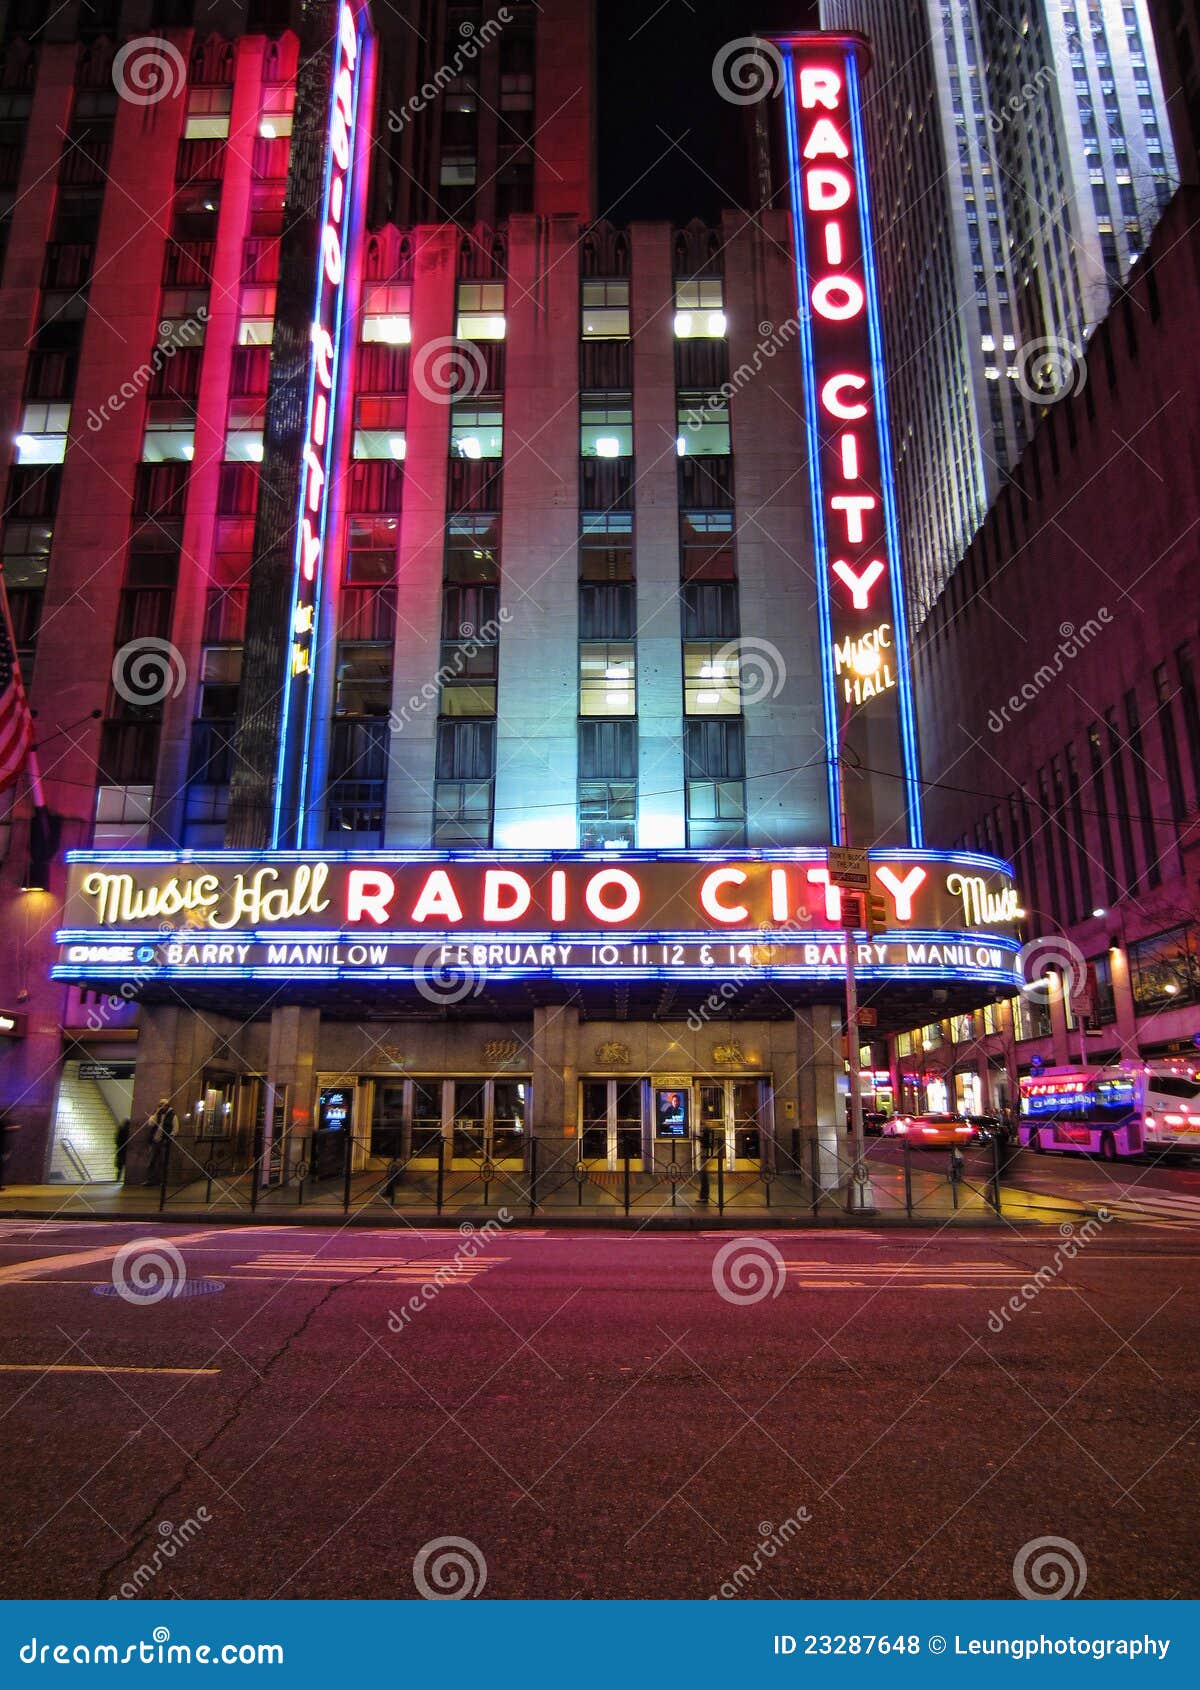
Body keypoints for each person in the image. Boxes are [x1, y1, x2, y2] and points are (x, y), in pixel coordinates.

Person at [145, 1097, 178, 1187]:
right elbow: (150, 1123)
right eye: (160, 1105)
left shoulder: (172, 1115)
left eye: (163, 1106)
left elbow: (175, 1129)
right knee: (151, 1161)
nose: (162, 1107)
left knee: (163, 1162)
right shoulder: (158, 1114)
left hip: (164, 1141)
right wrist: (156, 1112)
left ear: (167, 1106)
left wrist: (169, 1138)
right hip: (155, 1141)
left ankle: (162, 1181)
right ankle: (150, 1180)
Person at [114, 1117, 131, 1182]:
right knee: (124, 1164)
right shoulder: (129, 1130)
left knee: (119, 1166)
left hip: (120, 1149)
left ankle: (118, 1178)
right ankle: (123, 1179)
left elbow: (116, 1139)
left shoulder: (120, 1129)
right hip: (126, 1150)